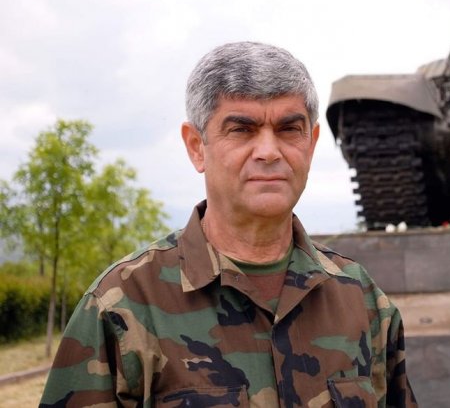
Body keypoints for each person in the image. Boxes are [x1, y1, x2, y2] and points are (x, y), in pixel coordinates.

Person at [40, 42, 417, 407]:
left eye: (289, 129)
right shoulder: (121, 306)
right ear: (196, 146)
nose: (269, 152)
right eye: (242, 130)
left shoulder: (362, 301)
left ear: (312, 143)